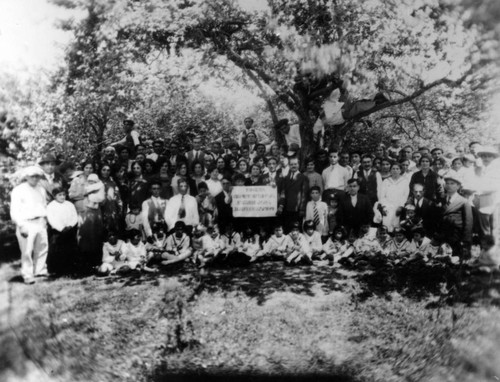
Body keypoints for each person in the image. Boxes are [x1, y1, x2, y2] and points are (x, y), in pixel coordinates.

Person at [10, 166, 49, 284]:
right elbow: (14, 210)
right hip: (26, 223)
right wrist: (21, 225)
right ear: (26, 176)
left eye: (37, 176)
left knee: (42, 247)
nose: (35, 178)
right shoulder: (19, 190)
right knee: (27, 251)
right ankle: (27, 275)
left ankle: (40, 271)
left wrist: (44, 220)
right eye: (32, 176)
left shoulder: (41, 189)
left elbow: (44, 205)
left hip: (40, 222)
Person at [46, 187, 79, 276]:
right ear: (54, 196)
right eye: (59, 195)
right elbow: (51, 219)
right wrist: (61, 228)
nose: (62, 197)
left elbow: (74, 216)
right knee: (58, 251)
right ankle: (58, 271)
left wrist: (70, 226)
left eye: (64, 195)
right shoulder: (51, 206)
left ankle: (71, 269)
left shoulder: (69, 204)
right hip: (57, 232)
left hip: (69, 230)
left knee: (70, 250)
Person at [440, 174, 473, 259]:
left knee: (456, 259)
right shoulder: (442, 199)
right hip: (443, 234)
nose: (449, 186)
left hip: (456, 235)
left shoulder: (463, 201)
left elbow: (468, 223)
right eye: (447, 183)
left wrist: (465, 241)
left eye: (452, 183)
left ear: (458, 186)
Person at [78, 173, 105, 271]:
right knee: (85, 236)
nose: (91, 183)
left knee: (95, 236)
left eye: (93, 181)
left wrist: (89, 196)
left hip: (95, 212)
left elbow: (101, 198)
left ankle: (95, 261)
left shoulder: (100, 186)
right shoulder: (85, 186)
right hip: (85, 212)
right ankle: (85, 262)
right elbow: (78, 194)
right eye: (89, 181)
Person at [475, 146, 500, 239]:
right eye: (483, 156)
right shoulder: (480, 170)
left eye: (489, 156)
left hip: (494, 201)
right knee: (485, 229)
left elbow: (495, 186)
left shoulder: (497, 170)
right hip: (483, 202)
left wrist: (479, 191)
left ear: (493, 158)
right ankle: (486, 249)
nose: (486, 158)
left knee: (495, 228)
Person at [278, 157, 309, 232]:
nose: (293, 166)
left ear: (298, 165)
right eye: (291, 164)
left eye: (295, 164)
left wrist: (302, 209)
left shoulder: (303, 178)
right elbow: (283, 193)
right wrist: (281, 205)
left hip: (297, 209)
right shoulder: (286, 178)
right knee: (287, 228)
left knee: (296, 228)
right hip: (286, 208)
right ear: (289, 165)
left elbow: (305, 195)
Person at [378, 163, 410, 231]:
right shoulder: (386, 181)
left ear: (400, 170)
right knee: (386, 226)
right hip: (387, 207)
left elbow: (405, 195)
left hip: (398, 206)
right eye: (393, 169)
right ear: (390, 170)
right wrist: (383, 207)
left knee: (397, 227)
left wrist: (401, 206)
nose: (395, 170)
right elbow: (382, 195)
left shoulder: (404, 181)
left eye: (397, 169)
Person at [99, 164, 123, 235]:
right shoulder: (96, 181)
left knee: (113, 231)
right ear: (100, 171)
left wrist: (120, 208)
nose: (106, 172)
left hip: (112, 208)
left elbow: (117, 196)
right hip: (100, 209)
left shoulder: (113, 182)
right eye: (104, 170)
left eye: (108, 170)